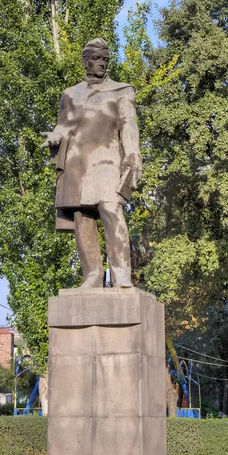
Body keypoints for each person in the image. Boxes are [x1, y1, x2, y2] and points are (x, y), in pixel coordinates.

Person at [41, 38, 142, 288]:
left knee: (111, 209)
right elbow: (63, 126)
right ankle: (93, 276)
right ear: (85, 61)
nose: (102, 64)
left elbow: (129, 124)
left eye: (105, 59)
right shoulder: (70, 94)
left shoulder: (121, 90)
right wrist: (55, 136)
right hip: (76, 163)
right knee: (82, 217)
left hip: (108, 160)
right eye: (96, 59)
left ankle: (121, 275)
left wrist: (134, 153)